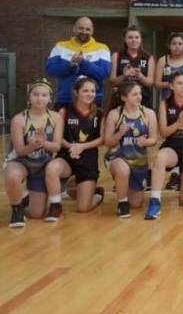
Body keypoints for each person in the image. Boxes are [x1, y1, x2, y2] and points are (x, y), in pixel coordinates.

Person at [44, 77, 105, 221]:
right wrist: (71, 146)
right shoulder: (64, 112)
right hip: (67, 155)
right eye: (85, 91)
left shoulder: (100, 113)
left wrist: (82, 146)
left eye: (93, 91)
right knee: (52, 167)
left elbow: (102, 139)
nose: (90, 94)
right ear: (76, 92)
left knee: (83, 208)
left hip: (87, 159)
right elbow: (57, 138)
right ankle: (55, 205)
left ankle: (96, 193)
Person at [4, 79, 63, 227]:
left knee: (37, 213)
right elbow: (20, 150)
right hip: (21, 161)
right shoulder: (19, 119)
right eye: (35, 94)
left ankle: (27, 197)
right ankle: (17, 210)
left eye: (44, 95)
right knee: (12, 175)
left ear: (50, 98)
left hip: (42, 165)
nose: (39, 98)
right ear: (29, 97)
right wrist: (31, 145)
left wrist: (43, 143)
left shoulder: (56, 118)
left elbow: (56, 147)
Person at [147, 72, 183, 219]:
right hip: (173, 148)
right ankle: (155, 200)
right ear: (171, 86)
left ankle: (181, 177)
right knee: (160, 157)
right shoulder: (165, 103)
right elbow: (164, 133)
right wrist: (178, 125)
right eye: (180, 83)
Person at [103, 83, 159, 218]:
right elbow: (108, 142)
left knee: (136, 203)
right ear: (124, 97)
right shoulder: (115, 114)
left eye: (139, 93)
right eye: (134, 94)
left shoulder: (148, 113)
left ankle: (123, 185)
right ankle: (122, 203)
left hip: (139, 162)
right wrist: (119, 133)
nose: (139, 97)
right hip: (117, 157)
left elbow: (154, 139)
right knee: (123, 170)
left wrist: (146, 142)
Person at [45, 16, 111, 109]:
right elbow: (50, 70)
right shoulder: (60, 46)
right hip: (65, 100)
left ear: (92, 31)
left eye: (88, 29)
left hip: (93, 101)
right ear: (74, 29)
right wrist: (69, 66)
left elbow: (103, 74)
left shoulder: (103, 48)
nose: (84, 32)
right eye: (81, 28)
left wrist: (83, 63)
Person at [110, 25, 155, 109]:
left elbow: (150, 83)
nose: (134, 40)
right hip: (122, 99)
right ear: (125, 39)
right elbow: (112, 81)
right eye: (130, 37)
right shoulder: (117, 55)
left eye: (137, 37)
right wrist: (124, 75)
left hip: (143, 99)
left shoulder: (148, 57)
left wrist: (140, 76)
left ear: (141, 39)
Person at [155, 34, 183, 101]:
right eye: (174, 44)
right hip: (167, 100)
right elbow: (157, 84)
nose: (177, 46)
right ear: (169, 46)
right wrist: (171, 83)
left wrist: (181, 82)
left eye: (180, 44)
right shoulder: (162, 60)